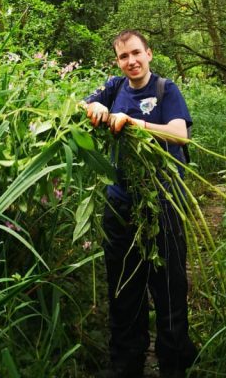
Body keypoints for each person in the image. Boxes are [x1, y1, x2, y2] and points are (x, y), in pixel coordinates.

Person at [83, 30, 198, 378]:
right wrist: (97, 107)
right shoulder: (113, 87)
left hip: (164, 203)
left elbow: (179, 134)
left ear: (148, 53)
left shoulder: (166, 90)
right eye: (123, 56)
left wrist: (136, 123)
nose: (131, 61)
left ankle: (174, 364)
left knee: (168, 289)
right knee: (122, 291)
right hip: (120, 207)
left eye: (136, 53)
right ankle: (126, 365)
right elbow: (84, 105)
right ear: (117, 61)